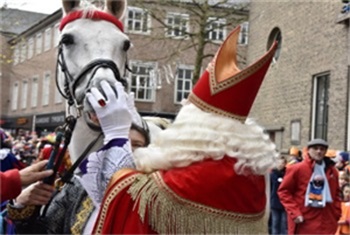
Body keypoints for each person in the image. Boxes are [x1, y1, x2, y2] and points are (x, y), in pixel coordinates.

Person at [91, 26, 278, 234]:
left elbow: (131, 193)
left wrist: (116, 132)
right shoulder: (250, 173)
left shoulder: (206, 174)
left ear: (197, 130)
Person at [7, 89, 151, 235]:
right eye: (122, 143)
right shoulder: (79, 187)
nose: (125, 150)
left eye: (136, 144)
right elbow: (44, 231)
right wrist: (22, 203)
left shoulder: (156, 194)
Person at [278, 138, 341, 234]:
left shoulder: (332, 171)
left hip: (327, 220)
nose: (319, 151)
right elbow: (284, 192)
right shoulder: (297, 169)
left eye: (322, 149)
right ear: (308, 150)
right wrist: (295, 212)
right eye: (315, 148)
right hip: (305, 220)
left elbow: (336, 193)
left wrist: (336, 212)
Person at [269, 156, 288, 235]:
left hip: (285, 203)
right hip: (274, 202)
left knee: (284, 223)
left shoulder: (287, 174)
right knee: (275, 223)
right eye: (279, 163)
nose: (280, 165)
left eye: (282, 163)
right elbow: (270, 188)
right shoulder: (272, 175)